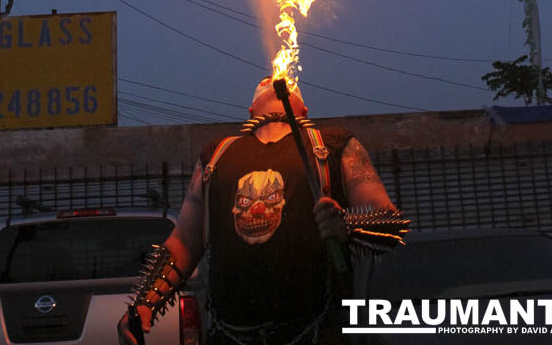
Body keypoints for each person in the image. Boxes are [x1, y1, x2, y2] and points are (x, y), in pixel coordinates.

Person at [118, 76, 406, 345]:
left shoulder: (333, 145)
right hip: (231, 337)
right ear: (251, 110)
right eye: (263, 81)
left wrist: (347, 227)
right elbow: (184, 241)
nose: (273, 76)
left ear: (303, 110)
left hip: (317, 335)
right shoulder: (217, 155)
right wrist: (145, 302)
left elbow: (392, 225)